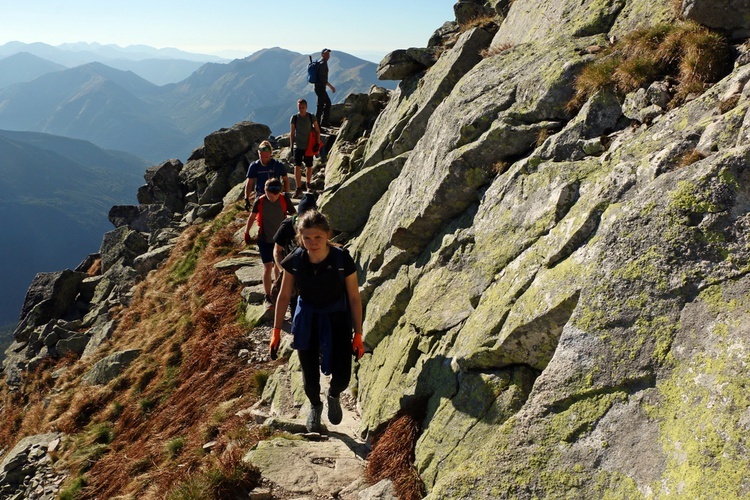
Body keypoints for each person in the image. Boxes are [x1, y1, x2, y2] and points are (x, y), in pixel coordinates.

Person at [271, 210, 364, 433]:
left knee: (342, 377)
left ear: (327, 235)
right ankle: (315, 405)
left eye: (318, 237)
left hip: (337, 318)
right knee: (309, 377)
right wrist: (276, 331)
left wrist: (358, 334)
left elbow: (353, 297)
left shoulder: (342, 259)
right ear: (300, 237)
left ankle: (333, 394)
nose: (313, 243)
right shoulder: (295, 260)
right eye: (307, 238)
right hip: (307, 319)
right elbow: (285, 295)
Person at [244, 178, 296, 309]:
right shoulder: (260, 201)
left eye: (277, 192)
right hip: (265, 239)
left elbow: (295, 216)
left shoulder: (284, 199)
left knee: (278, 266)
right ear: (265, 190)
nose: (273, 195)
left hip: (280, 240)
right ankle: (268, 296)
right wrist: (246, 232)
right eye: (270, 192)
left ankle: (278, 292)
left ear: (280, 190)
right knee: (268, 267)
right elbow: (252, 216)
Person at [272, 193, 317, 311]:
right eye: (304, 218)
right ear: (299, 214)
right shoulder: (287, 226)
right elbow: (277, 251)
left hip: (311, 271)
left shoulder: (317, 226)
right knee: (294, 304)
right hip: (292, 271)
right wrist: (283, 271)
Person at [244, 140, 290, 210]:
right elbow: (249, 182)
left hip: (275, 194)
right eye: (261, 156)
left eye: (266, 156)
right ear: (258, 153)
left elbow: (286, 180)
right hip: (260, 195)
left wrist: (287, 194)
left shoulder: (278, 165)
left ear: (270, 154)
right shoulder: (254, 166)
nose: (264, 159)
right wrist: (246, 198)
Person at [290, 99, 322, 198]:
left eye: (303, 107)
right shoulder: (294, 118)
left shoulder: (311, 117)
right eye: (299, 107)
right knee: (297, 166)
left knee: (309, 166)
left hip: (309, 146)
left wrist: (317, 142)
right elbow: (292, 133)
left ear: (306, 107)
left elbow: (317, 130)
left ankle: (308, 184)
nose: (301, 109)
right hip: (298, 146)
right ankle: (298, 188)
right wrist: (291, 146)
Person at [314, 48, 336, 127]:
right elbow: (323, 79)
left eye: (328, 54)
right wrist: (331, 87)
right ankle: (319, 125)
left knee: (324, 104)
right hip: (320, 88)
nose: (328, 55)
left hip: (318, 87)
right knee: (321, 106)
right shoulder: (323, 63)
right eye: (326, 54)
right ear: (322, 54)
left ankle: (322, 123)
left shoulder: (320, 62)